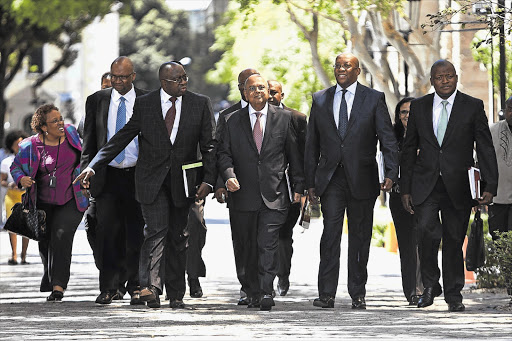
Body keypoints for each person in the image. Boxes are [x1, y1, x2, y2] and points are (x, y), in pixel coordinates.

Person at [75, 61, 217, 309]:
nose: (184, 82)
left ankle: (175, 293)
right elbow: (121, 137)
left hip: (183, 182)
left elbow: (209, 147)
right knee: (154, 231)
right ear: (164, 82)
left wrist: (208, 180)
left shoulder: (200, 103)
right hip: (150, 180)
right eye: (178, 79)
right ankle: (150, 287)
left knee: (179, 236)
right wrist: (93, 165)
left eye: (185, 77)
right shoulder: (146, 103)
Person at [400, 60, 498, 312]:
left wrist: (490, 184)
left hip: (459, 185)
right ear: (431, 80)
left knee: (454, 239)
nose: (444, 81)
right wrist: (406, 188)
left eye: (449, 76)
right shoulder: (419, 107)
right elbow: (409, 148)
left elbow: (485, 146)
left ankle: (454, 294)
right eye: (439, 77)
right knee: (426, 232)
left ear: (456, 77)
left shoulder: (472, 106)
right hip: (426, 184)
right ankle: (431, 285)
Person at [305, 52, 398, 310]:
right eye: (337, 65)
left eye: (347, 66)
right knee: (330, 235)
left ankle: (358, 293)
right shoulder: (320, 99)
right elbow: (311, 145)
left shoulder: (374, 99)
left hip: (363, 179)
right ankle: (326, 294)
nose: (341, 69)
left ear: (358, 71)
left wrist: (391, 173)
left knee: (359, 237)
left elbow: (387, 139)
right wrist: (310, 182)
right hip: (331, 179)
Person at [217, 74, 304, 311]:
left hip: (274, 194)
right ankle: (251, 291)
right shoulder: (231, 120)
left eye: (261, 88)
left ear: (268, 92)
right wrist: (228, 175)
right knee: (246, 246)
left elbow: (294, 156)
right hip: (242, 195)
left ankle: (266, 291)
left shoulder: (284, 119)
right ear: (244, 93)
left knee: (268, 244)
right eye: (251, 88)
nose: (257, 91)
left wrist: (299, 188)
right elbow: (223, 154)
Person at [81, 57, 147, 305]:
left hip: (137, 175)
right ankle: (109, 287)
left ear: (133, 76)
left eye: (123, 77)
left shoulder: (147, 100)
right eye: (114, 76)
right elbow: (90, 141)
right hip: (106, 176)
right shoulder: (96, 100)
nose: (117, 81)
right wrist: (87, 169)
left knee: (136, 233)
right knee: (107, 234)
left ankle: (137, 285)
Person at [10, 104, 89, 302]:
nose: (61, 123)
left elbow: (85, 154)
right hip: (42, 202)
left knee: (61, 235)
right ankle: (49, 272)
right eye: (55, 121)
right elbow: (15, 166)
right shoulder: (30, 146)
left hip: (71, 197)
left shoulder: (71, 133)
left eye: (61, 118)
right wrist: (21, 179)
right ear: (44, 127)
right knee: (45, 241)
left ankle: (58, 286)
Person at [214, 68, 260, 305]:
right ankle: (246, 285)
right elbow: (221, 151)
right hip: (238, 189)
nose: (249, 89)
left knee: (265, 240)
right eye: (244, 85)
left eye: (253, 84)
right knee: (242, 240)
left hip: (266, 190)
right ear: (240, 87)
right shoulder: (228, 115)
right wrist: (221, 183)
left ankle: (263, 285)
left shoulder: (272, 112)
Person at [267, 80, 307, 296]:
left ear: (282, 94)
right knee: (266, 235)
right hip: (264, 188)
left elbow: (304, 154)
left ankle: (283, 275)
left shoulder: (297, 118)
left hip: (290, 188)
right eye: (268, 92)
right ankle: (267, 280)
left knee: (283, 235)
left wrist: (303, 188)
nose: (270, 96)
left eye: (275, 92)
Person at [388, 97, 423, 305]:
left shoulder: (428, 134)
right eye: (403, 112)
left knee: (424, 241)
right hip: (398, 196)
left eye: (411, 111)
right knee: (407, 245)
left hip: (424, 196)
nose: (407, 116)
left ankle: (424, 286)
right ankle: (411, 290)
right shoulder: (392, 136)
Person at [1, 130, 29, 265]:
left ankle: (24, 256)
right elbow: (2, 181)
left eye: (21, 143)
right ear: (11, 146)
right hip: (11, 196)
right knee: (12, 226)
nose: (19, 146)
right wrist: (11, 185)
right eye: (16, 144)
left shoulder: (30, 160)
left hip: (26, 196)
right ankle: (14, 255)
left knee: (26, 226)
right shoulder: (6, 162)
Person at [489, 96, 512, 240]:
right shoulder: (492, 131)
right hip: (497, 198)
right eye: (510, 109)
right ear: (505, 109)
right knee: (500, 243)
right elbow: (480, 163)